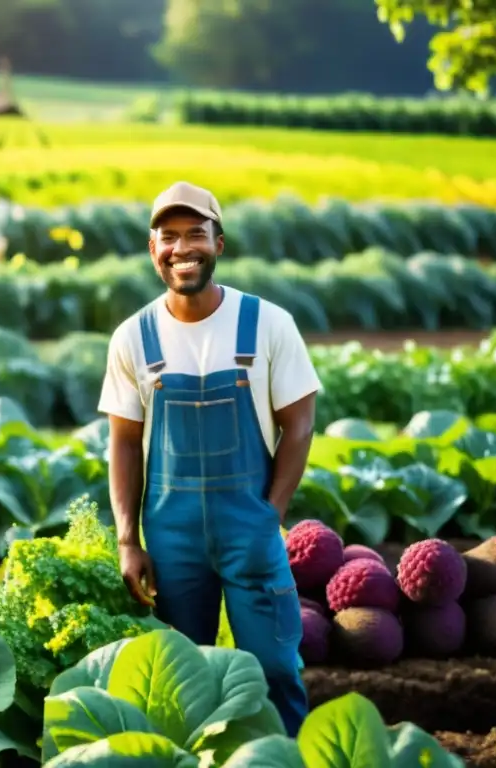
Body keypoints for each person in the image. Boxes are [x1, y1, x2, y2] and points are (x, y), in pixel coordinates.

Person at [97, 181, 320, 737]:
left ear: (220, 242)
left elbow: (300, 423)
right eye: (167, 237)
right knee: (183, 676)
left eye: (195, 233)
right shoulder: (133, 338)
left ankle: (282, 755)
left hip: (250, 524)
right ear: (153, 250)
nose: (181, 248)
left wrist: (271, 512)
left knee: (273, 668)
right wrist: (128, 539)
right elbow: (124, 442)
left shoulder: (267, 324)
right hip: (170, 535)